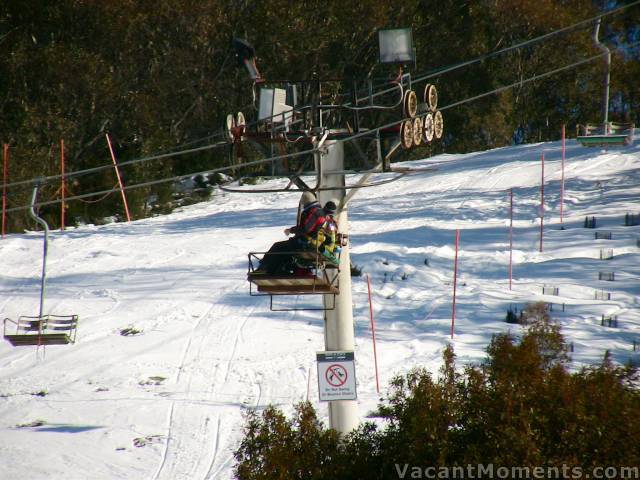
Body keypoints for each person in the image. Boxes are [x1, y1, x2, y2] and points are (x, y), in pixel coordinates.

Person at [254, 192, 325, 275]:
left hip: (306, 243)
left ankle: (265, 268)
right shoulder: (319, 211)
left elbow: (305, 228)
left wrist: (291, 230)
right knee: (285, 249)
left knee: (277, 246)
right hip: (310, 241)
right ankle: (278, 270)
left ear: (306, 201)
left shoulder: (314, 211)